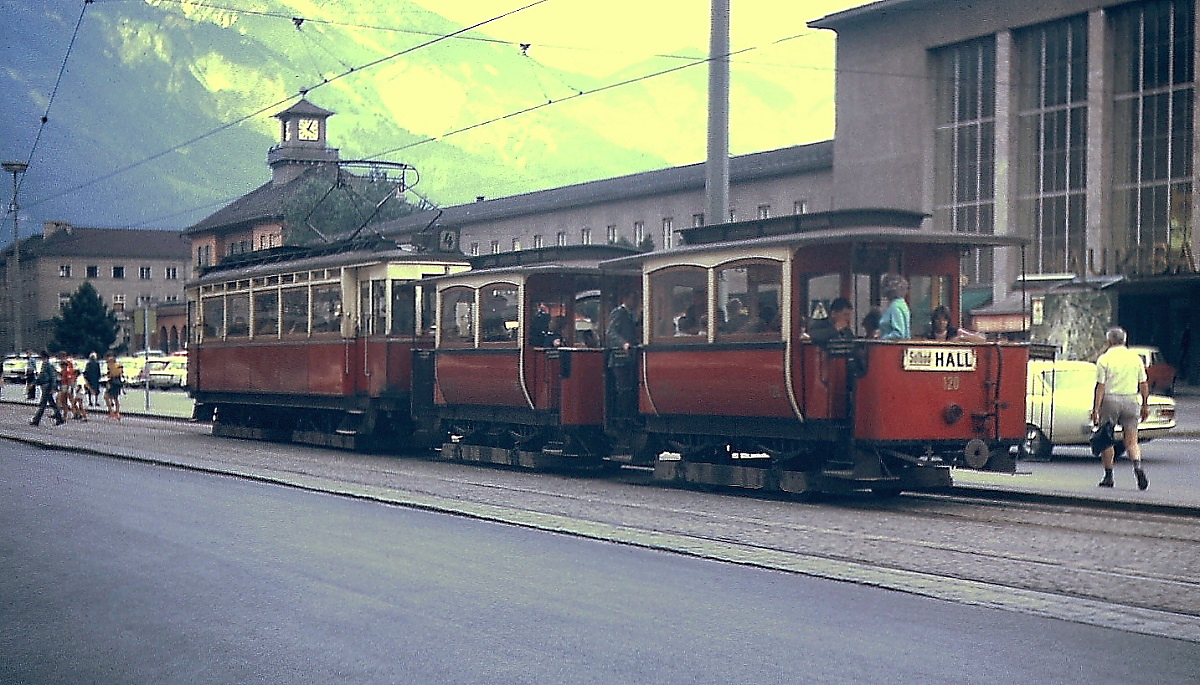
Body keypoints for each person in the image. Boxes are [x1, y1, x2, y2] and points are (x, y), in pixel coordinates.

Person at [1091, 327, 1150, 490]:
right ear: (1125, 340)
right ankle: (1137, 467)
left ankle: (1109, 475)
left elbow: (1100, 386)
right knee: (1132, 440)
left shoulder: (1104, 359)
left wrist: (1096, 409)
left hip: (1111, 400)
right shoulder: (1135, 358)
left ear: (1109, 341)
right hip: (1131, 399)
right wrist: (1145, 404)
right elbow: (1143, 384)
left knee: (1106, 437)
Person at [605, 291, 641, 419]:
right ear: (625, 299)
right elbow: (611, 332)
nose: (635, 302)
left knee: (630, 388)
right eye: (633, 298)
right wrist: (623, 343)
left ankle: (629, 417)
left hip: (629, 357)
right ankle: (622, 418)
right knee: (623, 389)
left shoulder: (631, 315)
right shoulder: (619, 313)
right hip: (618, 358)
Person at [29, 350, 65, 427]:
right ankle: (59, 418)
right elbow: (42, 377)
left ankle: (36, 420)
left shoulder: (48, 365)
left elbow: (52, 377)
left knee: (43, 404)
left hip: (47, 386)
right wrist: (35, 383)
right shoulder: (45, 364)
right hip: (45, 385)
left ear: (43, 356)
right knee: (52, 403)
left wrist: (53, 387)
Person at [878, 274, 911, 340]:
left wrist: (882, 339)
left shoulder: (895, 307)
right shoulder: (902, 304)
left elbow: (898, 334)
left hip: (891, 348)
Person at [104, 353, 124, 420]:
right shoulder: (119, 365)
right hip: (118, 382)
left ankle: (111, 412)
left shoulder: (111, 366)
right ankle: (117, 413)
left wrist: (107, 376)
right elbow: (121, 374)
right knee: (115, 398)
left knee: (106, 397)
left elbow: (110, 375)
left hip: (112, 382)